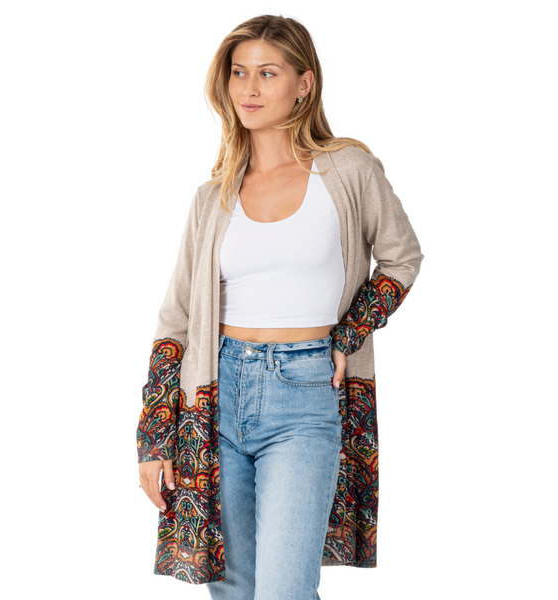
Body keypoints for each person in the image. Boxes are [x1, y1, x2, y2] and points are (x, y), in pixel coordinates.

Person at [136, 14, 424, 599]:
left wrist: (348, 336)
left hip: (305, 394)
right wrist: (154, 437)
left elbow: (401, 259)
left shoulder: (348, 171)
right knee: (233, 590)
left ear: (304, 83)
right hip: (214, 397)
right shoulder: (212, 196)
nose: (249, 88)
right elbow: (177, 320)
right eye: (238, 73)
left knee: (284, 591)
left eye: (267, 73)